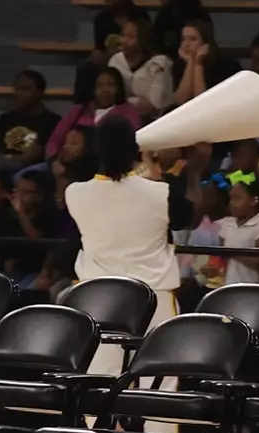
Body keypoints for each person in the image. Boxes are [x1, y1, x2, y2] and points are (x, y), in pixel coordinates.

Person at [66, 117, 183, 330]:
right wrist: (193, 173)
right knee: (158, 363)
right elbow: (188, 219)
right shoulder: (162, 192)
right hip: (154, 299)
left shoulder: (73, 193)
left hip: (97, 300)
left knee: (100, 364)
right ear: (135, 150)